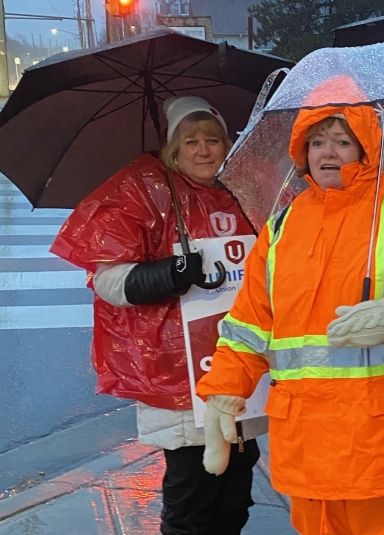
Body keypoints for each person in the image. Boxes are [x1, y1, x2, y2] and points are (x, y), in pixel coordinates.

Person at [195, 105, 384, 534]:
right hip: (308, 443)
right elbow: (251, 322)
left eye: (343, 141)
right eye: (318, 141)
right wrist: (224, 388)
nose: (329, 152)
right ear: (302, 151)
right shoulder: (282, 225)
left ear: (366, 150)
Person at [50, 96, 266, 534]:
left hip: (238, 363)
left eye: (213, 140)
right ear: (173, 147)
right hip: (176, 370)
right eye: (192, 141)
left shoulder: (245, 186)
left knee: (236, 494)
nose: (204, 150)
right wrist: (170, 273)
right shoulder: (139, 190)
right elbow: (109, 281)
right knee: (193, 494)